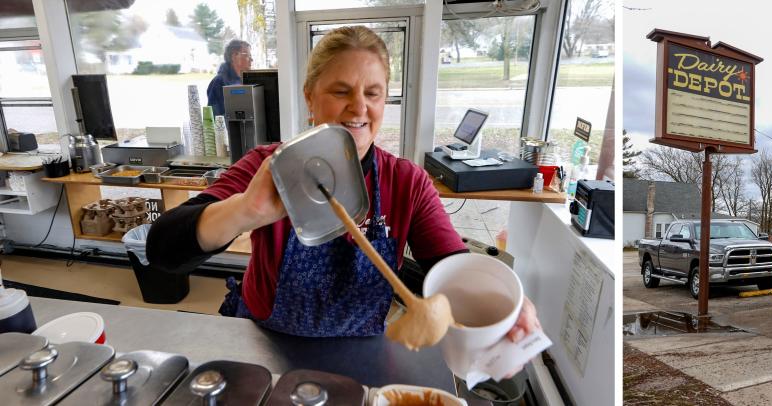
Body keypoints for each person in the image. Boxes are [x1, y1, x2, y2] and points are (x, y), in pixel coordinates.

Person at [148, 26, 541, 346]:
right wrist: (245, 210)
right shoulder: (268, 168)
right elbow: (163, 250)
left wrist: (503, 301)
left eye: (373, 94)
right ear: (310, 98)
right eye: (340, 92)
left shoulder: (405, 182)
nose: (358, 107)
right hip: (266, 339)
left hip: (362, 346)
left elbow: (450, 265)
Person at [206, 40, 252, 117]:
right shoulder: (218, 82)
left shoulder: (244, 80)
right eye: (247, 55)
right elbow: (215, 117)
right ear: (234, 56)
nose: (251, 59)